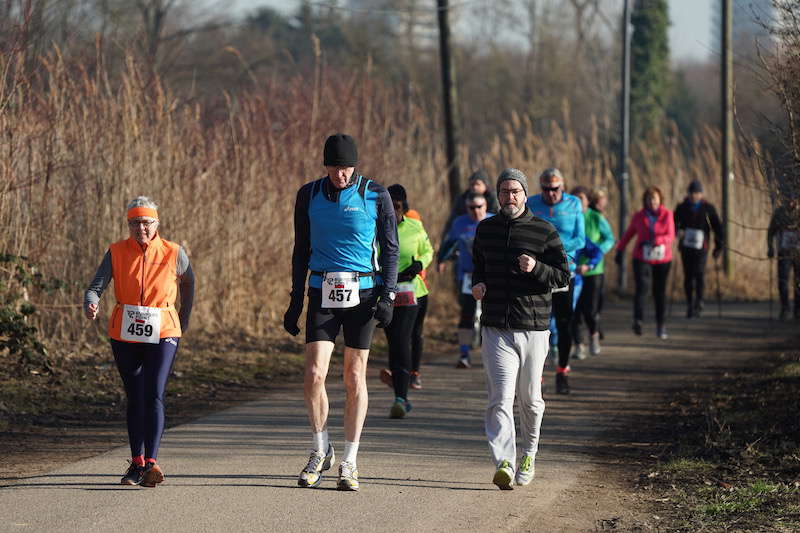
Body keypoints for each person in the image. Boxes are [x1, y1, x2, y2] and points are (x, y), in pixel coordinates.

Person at [283, 133, 399, 492]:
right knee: (315, 373)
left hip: (363, 292)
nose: (341, 175)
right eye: (335, 168)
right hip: (322, 289)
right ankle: (320, 449)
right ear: (326, 165)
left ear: (355, 166)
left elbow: (391, 247)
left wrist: (389, 294)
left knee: (353, 377)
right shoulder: (309, 194)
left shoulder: (375, 194)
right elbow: (301, 248)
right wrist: (295, 300)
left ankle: (350, 460)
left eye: (347, 168)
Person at [84, 196, 195, 487]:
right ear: (128, 224)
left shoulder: (173, 252)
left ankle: (152, 464)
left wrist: (183, 318)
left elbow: (188, 282)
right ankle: (136, 462)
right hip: (125, 332)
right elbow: (96, 286)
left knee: (154, 392)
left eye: (146, 222)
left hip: (164, 330)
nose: (141, 228)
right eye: (135, 223)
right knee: (135, 395)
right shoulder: (116, 251)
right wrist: (91, 303)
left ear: (156, 223)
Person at [472, 168, 569, 490]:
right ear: (497, 195)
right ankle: (504, 461)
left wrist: (537, 268)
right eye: (503, 191)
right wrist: (478, 284)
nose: (509, 197)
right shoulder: (485, 230)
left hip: (534, 327)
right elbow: (478, 267)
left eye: (515, 191)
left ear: (525, 194)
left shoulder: (544, 231)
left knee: (530, 400)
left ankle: (529, 453)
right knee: (500, 399)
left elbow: (563, 277)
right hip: (496, 327)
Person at [526, 168, 585, 394]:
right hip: (538, 272)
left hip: (563, 270)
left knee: (563, 322)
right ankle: (536, 375)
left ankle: (562, 372)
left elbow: (580, 238)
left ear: (563, 187)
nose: (551, 194)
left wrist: (558, 249)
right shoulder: (531, 203)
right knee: (536, 325)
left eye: (555, 189)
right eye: (546, 189)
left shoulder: (574, 204)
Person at [378, 184, 433, 417]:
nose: (394, 209)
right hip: (386, 292)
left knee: (403, 339)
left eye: (398, 205)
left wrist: (419, 265)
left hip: (414, 293)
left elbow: (428, 250)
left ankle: (401, 396)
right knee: (395, 342)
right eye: (389, 205)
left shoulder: (415, 226)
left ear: (404, 206)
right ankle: (401, 390)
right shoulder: (375, 228)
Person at [437, 192, 492, 368]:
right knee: (466, 314)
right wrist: (441, 260)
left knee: (491, 315)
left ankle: (492, 355)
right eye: (472, 207)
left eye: (480, 207)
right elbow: (448, 243)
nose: (476, 211)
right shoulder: (460, 223)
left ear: (486, 206)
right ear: (466, 207)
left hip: (490, 275)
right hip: (468, 275)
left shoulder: (494, 221)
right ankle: (464, 353)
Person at [615, 186, 676, 339]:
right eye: (649, 199)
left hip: (662, 259)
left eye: (654, 198)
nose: (651, 201)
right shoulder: (639, 216)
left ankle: (661, 325)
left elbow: (671, 235)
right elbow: (629, 233)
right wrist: (620, 250)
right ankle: (638, 320)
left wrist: (658, 240)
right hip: (642, 258)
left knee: (659, 293)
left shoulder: (667, 215)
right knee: (642, 289)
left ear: (660, 199)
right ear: (645, 201)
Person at [571, 186, 615, 357]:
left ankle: (594, 336)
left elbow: (609, 238)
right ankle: (578, 345)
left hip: (593, 270)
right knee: (574, 311)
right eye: (574, 198)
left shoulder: (595, 217)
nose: (578, 201)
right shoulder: (569, 218)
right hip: (573, 272)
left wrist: (598, 251)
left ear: (588, 201)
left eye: (581, 198)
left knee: (590, 309)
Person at [673, 179, 724, 318]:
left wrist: (719, 246)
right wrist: (678, 232)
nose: (694, 195)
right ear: (688, 194)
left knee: (699, 274)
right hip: (686, 247)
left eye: (697, 193)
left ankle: (699, 301)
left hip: (702, 248)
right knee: (688, 276)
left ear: (701, 194)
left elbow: (718, 228)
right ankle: (690, 303)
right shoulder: (681, 207)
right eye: (692, 193)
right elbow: (673, 224)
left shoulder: (708, 209)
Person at [403, 207, 428, 390]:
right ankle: (401, 369)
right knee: (399, 333)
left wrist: (418, 265)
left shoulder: (414, 222)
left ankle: (415, 373)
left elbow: (428, 251)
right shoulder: (378, 222)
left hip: (416, 286)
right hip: (393, 287)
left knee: (415, 332)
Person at [440, 170, 499, 241]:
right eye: (472, 184)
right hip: (466, 232)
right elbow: (452, 221)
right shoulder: (462, 199)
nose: (474, 187)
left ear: (485, 185)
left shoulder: (493, 198)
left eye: (477, 184)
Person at [767, 196, 800, 320]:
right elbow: (771, 232)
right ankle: (785, 307)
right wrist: (770, 248)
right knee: (783, 281)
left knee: (799, 282)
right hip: (784, 252)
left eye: (793, 199)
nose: (790, 202)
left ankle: (798, 308)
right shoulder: (779, 213)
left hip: (798, 254)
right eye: (788, 199)